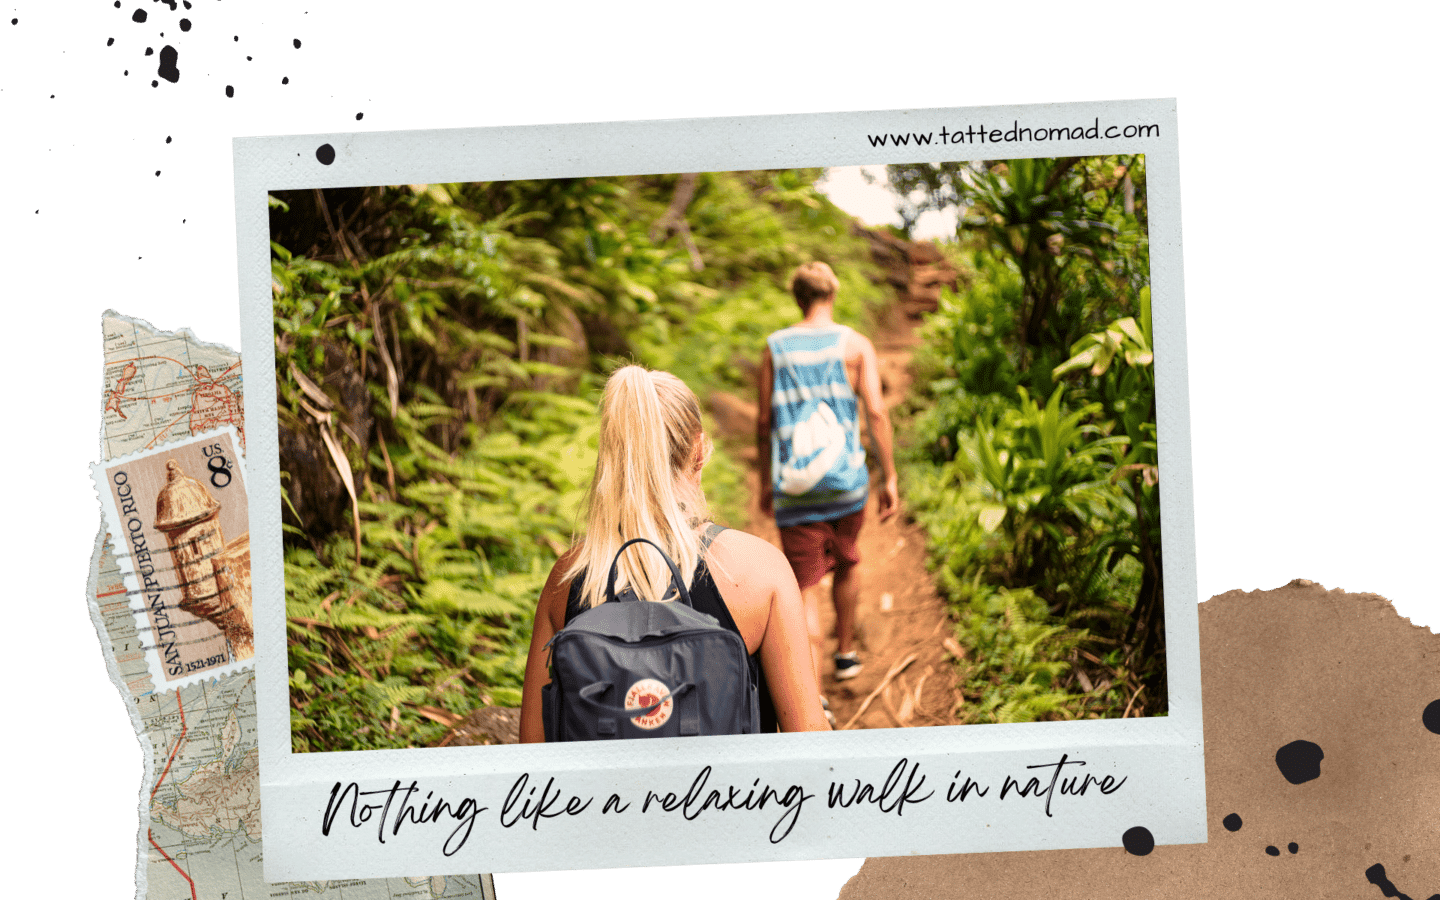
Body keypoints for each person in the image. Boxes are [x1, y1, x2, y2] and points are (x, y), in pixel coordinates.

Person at [518, 366, 831, 742]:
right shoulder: (759, 569)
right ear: (699, 452)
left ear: (612, 455)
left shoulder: (568, 580)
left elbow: (532, 751)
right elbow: (809, 741)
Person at [758, 261, 899, 684]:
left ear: (797, 298)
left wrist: (766, 481)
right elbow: (876, 412)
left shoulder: (775, 347)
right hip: (846, 484)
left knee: (803, 584)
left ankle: (812, 689)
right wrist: (889, 477)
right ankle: (846, 655)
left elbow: (764, 422)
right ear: (832, 294)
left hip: (795, 487)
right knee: (847, 563)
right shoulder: (856, 345)